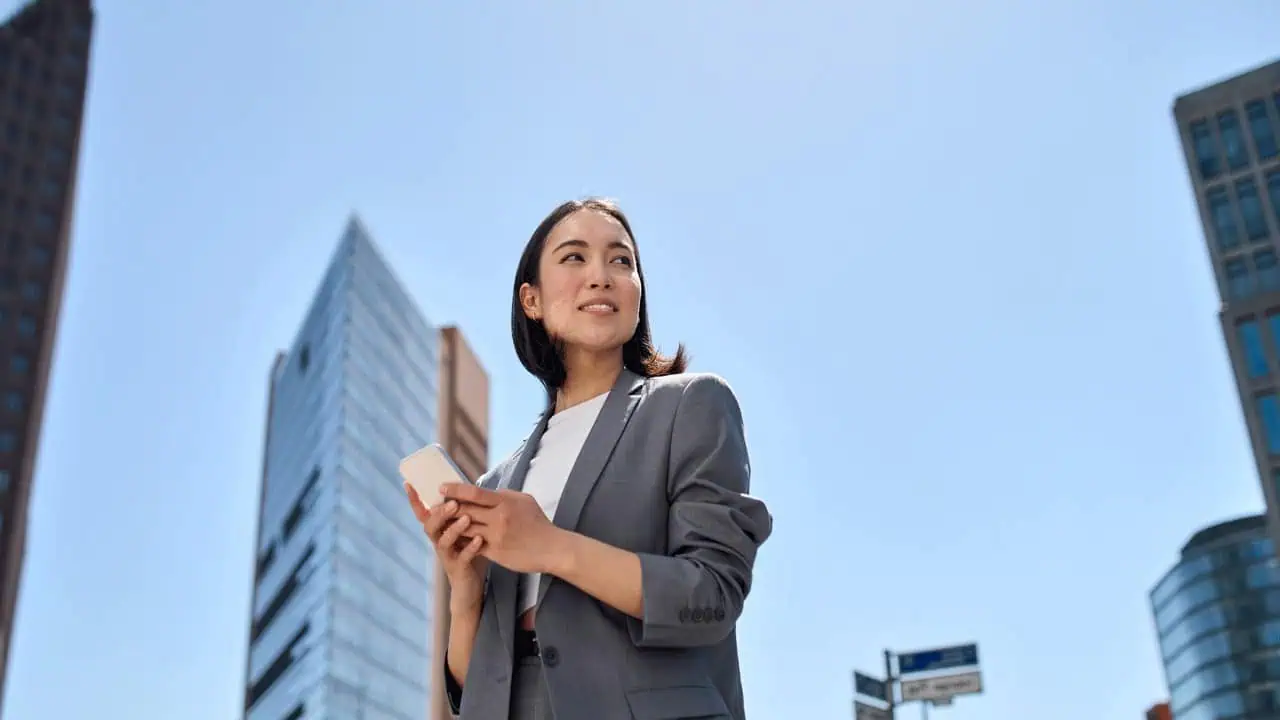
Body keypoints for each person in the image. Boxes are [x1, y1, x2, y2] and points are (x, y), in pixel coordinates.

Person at [404, 197, 773, 720]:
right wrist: (465, 591)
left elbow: (711, 594)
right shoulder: (500, 478)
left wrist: (549, 546)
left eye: (621, 261)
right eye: (575, 257)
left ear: (638, 295)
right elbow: (472, 692)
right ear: (530, 300)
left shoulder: (691, 405)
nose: (601, 275)